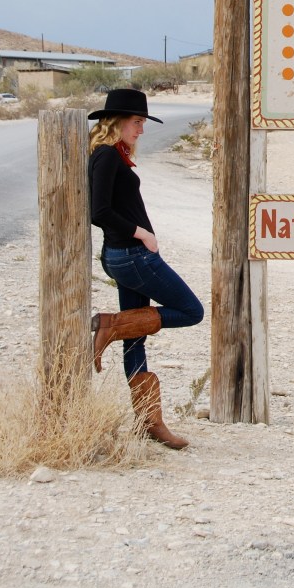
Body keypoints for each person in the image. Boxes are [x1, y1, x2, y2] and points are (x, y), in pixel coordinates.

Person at [88, 88, 204, 450]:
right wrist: (143, 234)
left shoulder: (112, 154)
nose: (141, 129)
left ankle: (148, 421)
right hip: (132, 255)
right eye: (137, 122)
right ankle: (111, 325)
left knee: (135, 340)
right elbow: (100, 212)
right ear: (118, 121)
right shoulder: (107, 156)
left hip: (124, 256)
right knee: (191, 311)